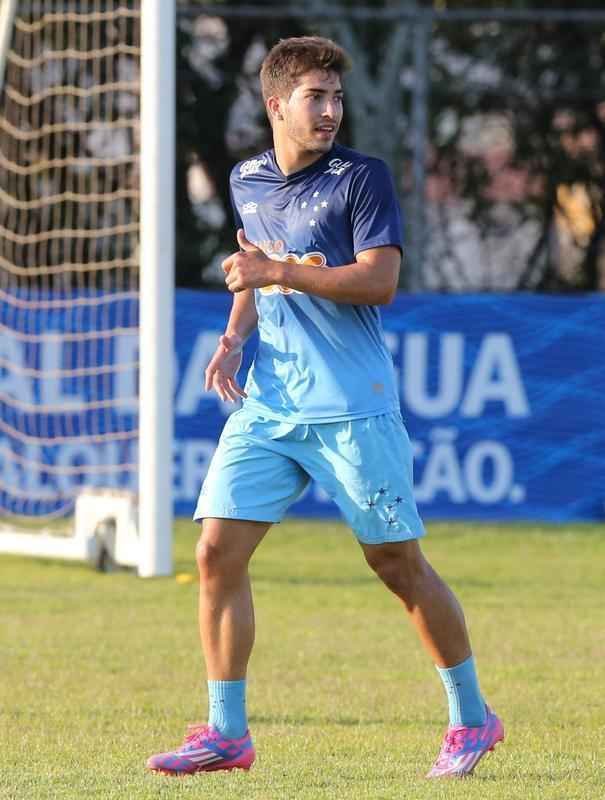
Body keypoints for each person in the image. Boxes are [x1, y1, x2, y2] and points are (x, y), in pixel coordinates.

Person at [147, 35, 503, 780]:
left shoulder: (360, 179)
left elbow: (378, 283)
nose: (331, 111)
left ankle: (472, 719)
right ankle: (226, 733)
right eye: (316, 97)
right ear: (276, 105)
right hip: (270, 407)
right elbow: (254, 265)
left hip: (351, 407)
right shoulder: (246, 178)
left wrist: (276, 269)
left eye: (335, 97)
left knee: (396, 565)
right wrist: (233, 335)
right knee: (214, 554)